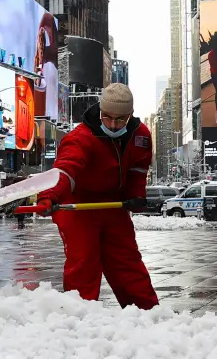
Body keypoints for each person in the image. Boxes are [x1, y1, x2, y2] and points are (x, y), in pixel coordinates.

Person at [35, 83, 158, 310]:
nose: (113, 124)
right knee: (83, 262)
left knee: (127, 263)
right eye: (107, 117)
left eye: (120, 119)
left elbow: (138, 169)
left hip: (113, 206)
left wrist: (136, 195)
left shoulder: (141, 136)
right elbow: (65, 169)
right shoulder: (80, 138)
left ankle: (147, 313)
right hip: (79, 205)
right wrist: (49, 195)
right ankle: (80, 316)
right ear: (100, 111)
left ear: (130, 115)